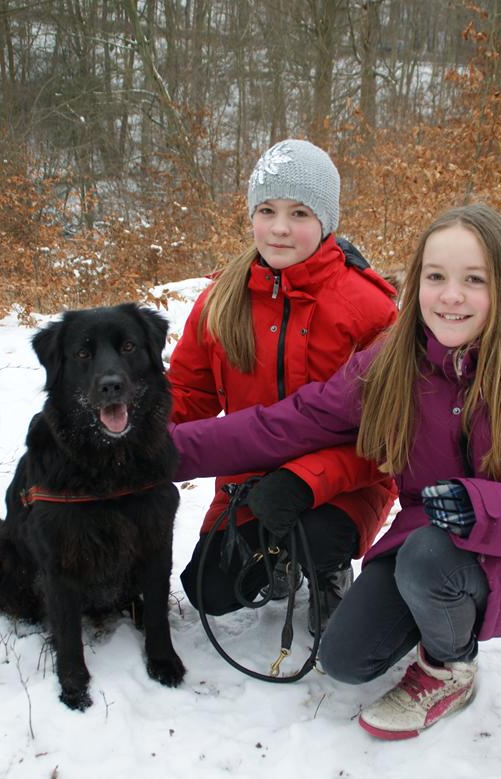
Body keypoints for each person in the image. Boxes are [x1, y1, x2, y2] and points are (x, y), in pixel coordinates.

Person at [170, 204, 501, 739]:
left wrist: (486, 509)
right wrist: (158, 454)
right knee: (348, 659)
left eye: (474, 280)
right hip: (435, 541)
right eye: (435, 277)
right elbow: (289, 424)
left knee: (427, 561)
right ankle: (444, 605)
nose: (450, 296)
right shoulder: (397, 362)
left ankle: (451, 667)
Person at [166, 139, 398, 635]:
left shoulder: (370, 307)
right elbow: (188, 395)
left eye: (299, 213)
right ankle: (279, 561)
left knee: (314, 535)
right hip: (250, 481)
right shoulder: (219, 301)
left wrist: (306, 480)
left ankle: (325, 566)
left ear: (326, 222)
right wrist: (131, 446)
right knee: (210, 590)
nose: (279, 228)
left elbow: (391, 437)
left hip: (345, 481)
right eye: (266, 210)